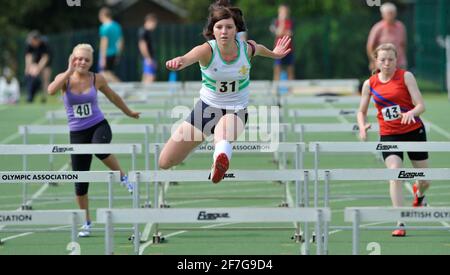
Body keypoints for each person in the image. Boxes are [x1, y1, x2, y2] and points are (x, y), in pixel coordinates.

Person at [159, 3, 291, 184]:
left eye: (229, 27)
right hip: (205, 110)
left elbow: (261, 49)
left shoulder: (247, 49)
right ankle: (204, 147)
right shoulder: (206, 50)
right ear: (212, 30)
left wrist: (275, 54)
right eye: (219, 27)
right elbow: (186, 58)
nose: (224, 31)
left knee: (222, 134)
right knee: (165, 162)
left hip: (235, 110)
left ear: (236, 29)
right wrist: (177, 61)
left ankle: (219, 161)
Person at [47, 44, 140, 237]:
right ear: (72, 59)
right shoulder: (64, 79)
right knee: (80, 183)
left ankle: (123, 177)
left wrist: (129, 112)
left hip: (99, 125)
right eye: (78, 58)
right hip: (77, 134)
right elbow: (50, 90)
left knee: (99, 147)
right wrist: (68, 71)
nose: (82, 62)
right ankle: (86, 222)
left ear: (91, 63)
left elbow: (113, 97)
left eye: (86, 60)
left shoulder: (97, 79)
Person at [357, 43, 430, 237]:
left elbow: (421, 104)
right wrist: (362, 126)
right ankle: (400, 220)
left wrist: (411, 113)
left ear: (396, 60)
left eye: (390, 59)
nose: (387, 63)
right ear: (376, 61)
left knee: (425, 180)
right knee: (395, 173)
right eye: (383, 60)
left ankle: (419, 195)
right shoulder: (370, 83)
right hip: (390, 134)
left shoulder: (406, 76)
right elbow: (361, 111)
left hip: (414, 131)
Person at [367, 2, 407, 71]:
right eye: (388, 13)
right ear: (383, 14)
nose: (390, 15)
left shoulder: (401, 26)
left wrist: (404, 60)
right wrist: (374, 60)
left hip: (399, 63)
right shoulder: (377, 28)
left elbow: (403, 44)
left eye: (392, 13)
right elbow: (370, 46)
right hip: (382, 65)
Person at [25, 30, 52, 103]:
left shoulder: (44, 44)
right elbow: (28, 57)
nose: (30, 42)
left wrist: (38, 68)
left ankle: (44, 97)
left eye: (32, 40)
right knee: (30, 76)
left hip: (46, 64)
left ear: (36, 39)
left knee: (45, 78)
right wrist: (28, 68)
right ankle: (30, 95)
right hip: (35, 63)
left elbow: (45, 58)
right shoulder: (30, 45)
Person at [270, 4, 295, 81]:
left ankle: (291, 91)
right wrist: (282, 22)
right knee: (277, 70)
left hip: (289, 49)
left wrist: (282, 31)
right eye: (282, 11)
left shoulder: (291, 22)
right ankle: (276, 90)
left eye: (285, 11)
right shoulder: (275, 22)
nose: (283, 13)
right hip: (278, 50)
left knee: (290, 70)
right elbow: (278, 33)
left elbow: (289, 33)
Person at [98, 7, 123, 83]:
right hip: (115, 52)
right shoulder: (117, 26)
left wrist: (103, 57)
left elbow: (104, 42)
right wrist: (118, 54)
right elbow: (121, 41)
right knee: (110, 74)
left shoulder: (104, 27)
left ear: (103, 15)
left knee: (104, 73)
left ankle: (122, 85)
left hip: (107, 53)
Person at [138, 14, 158, 84]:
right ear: (149, 21)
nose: (155, 26)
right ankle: (145, 94)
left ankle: (142, 94)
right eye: (154, 23)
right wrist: (148, 58)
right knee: (151, 76)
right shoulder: (144, 31)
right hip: (148, 58)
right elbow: (142, 45)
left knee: (146, 76)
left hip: (148, 58)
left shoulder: (147, 32)